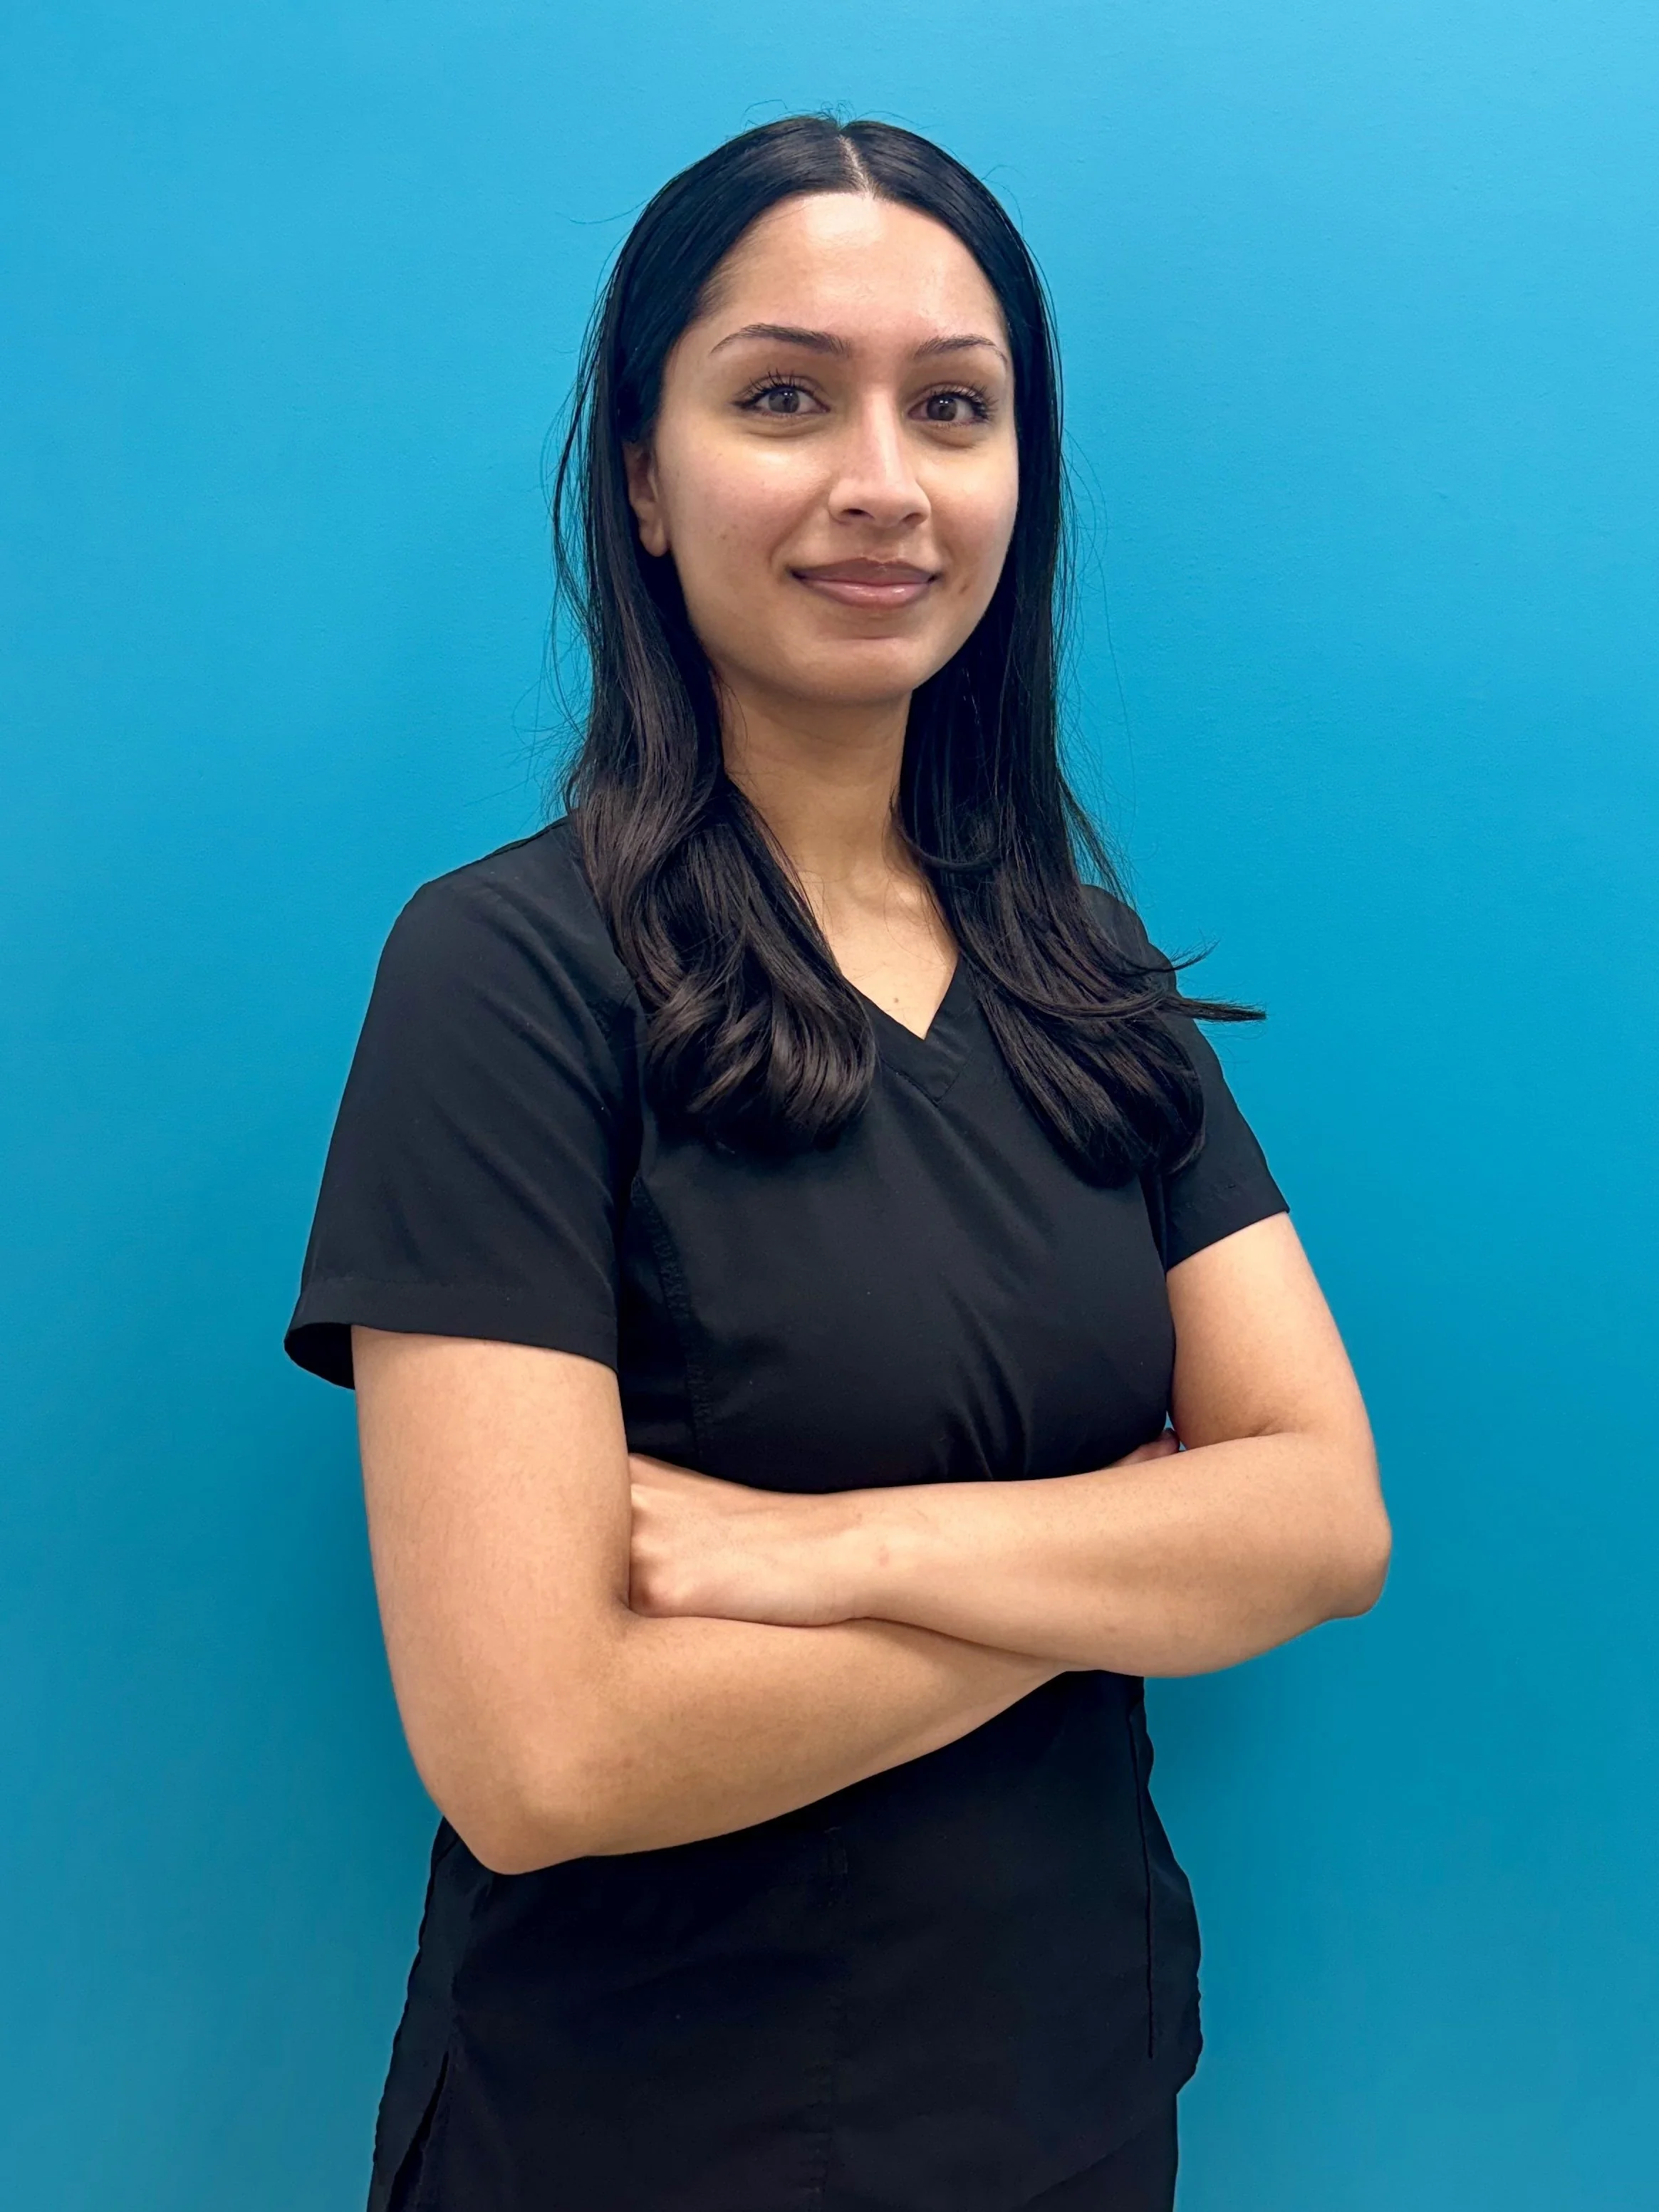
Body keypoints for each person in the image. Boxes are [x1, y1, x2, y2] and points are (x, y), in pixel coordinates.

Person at [284, 113, 1390, 2212]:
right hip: (642, 2149)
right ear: (641, 471)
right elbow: (543, 1758)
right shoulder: (506, 976)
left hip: (1079, 2108)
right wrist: (1129, 1563)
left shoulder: (1083, 976)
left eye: (953, 409)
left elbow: (1325, 1519)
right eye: (785, 398)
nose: (883, 481)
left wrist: (820, 1553)